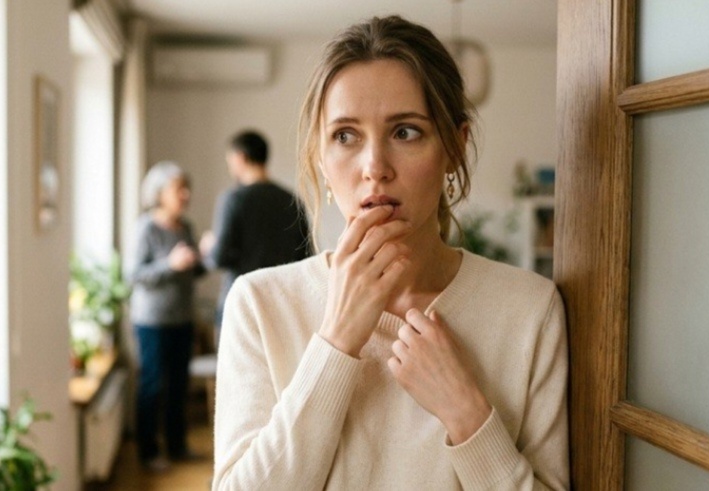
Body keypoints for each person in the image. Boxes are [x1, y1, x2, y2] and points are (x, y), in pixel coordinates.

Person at [212, 15, 569, 491]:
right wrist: (337, 340)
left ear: (454, 148)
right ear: (321, 157)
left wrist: (467, 413)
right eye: (345, 135)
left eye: (405, 132)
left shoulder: (530, 310)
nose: (374, 167)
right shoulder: (259, 304)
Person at [129, 161, 206, 472]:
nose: (186, 194)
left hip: (183, 319)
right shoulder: (146, 228)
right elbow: (134, 275)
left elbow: (195, 272)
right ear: (160, 193)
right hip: (152, 322)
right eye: (179, 189)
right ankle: (148, 452)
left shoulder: (186, 227)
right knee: (152, 385)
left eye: (187, 188)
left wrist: (202, 256)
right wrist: (170, 265)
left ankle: (177, 446)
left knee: (178, 385)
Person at [200, 130, 312, 329]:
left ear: (240, 157)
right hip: (280, 304)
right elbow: (305, 257)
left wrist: (209, 245)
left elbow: (219, 258)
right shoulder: (291, 201)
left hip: (241, 303)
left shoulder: (233, 199)